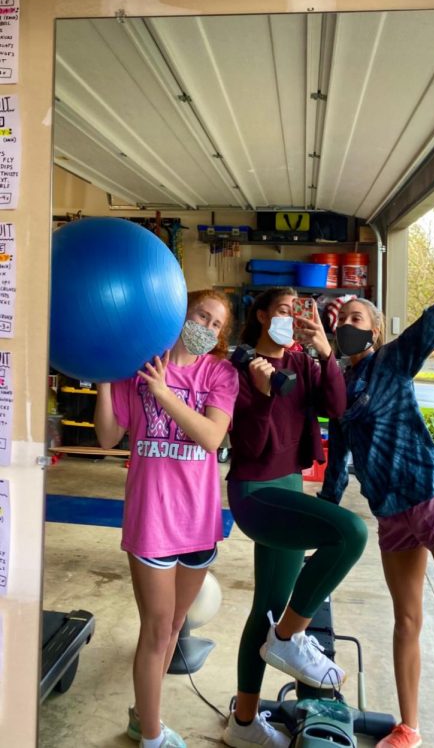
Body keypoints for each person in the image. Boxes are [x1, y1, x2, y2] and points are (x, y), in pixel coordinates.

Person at [223, 286, 369, 748]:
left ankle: (243, 724)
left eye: (297, 310)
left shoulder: (304, 362)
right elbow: (248, 447)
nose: (290, 317)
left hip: (289, 483)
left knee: (266, 607)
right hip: (255, 491)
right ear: (263, 316)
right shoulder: (241, 368)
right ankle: (288, 637)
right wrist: (264, 392)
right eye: (283, 310)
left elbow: (336, 408)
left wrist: (326, 352)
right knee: (349, 532)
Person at [94, 289, 239, 748]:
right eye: (202, 315)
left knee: (175, 627)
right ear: (181, 313)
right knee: (156, 631)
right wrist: (102, 377)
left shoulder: (219, 372)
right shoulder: (137, 367)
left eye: (217, 325)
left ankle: (143, 715)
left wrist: (164, 393)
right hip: (152, 520)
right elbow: (106, 437)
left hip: (199, 521)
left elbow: (212, 436)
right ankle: (152, 736)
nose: (207, 328)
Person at [320, 284, 434, 748]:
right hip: (392, 518)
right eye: (344, 321)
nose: (348, 328)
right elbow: (336, 466)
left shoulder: (393, 361)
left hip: (430, 499)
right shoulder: (338, 390)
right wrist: (324, 524)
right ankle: (409, 728)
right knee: (407, 622)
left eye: (359, 320)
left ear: (376, 331)